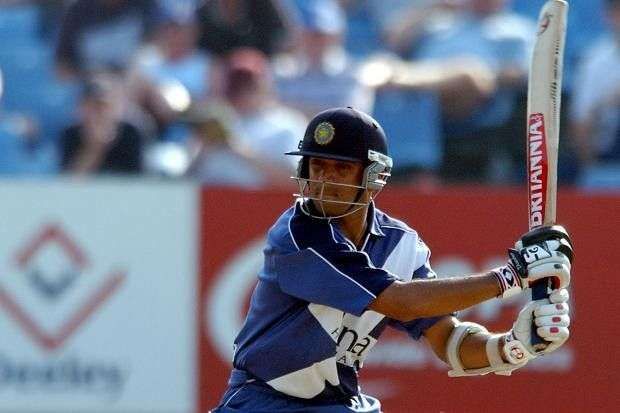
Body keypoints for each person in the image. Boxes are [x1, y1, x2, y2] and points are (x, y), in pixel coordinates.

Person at [211, 107, 574, 412]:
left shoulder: (402, 245)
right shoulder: (297, 234)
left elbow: (449, 342)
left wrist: (514, 346)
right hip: (263, 402)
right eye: (316, 166)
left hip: (337, 403)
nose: (324, 180)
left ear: (373, 177)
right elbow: (399, 301)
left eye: (340, 169)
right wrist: (513, 275)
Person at [60, 75, 144, 175]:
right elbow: (71, 182)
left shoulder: (130, 133)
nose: (97, 113)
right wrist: (95, 146)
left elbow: (136, 180)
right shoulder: (70, 134)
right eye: (91, 106)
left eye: (102, 106)